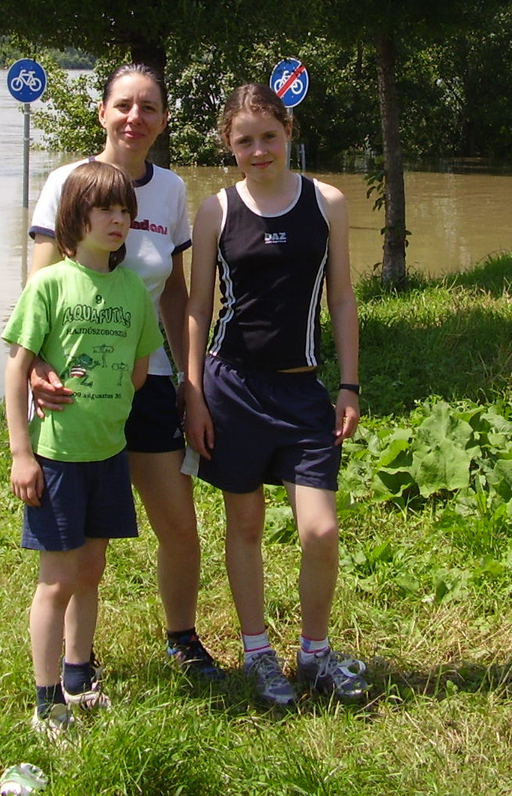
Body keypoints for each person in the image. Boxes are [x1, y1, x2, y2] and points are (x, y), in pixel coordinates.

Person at [27, 64, 223, 681]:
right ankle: (72, 663)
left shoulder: (169, 192)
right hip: (75, 389)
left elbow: (178, 298)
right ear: (102, 114)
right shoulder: (67, 182)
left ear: (164, 120)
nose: (135, 118)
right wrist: (35, 368)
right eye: (123, 106)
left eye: (149, 108)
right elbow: (39, 287)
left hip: (150, 379)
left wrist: (191, 387)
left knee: (179, 525)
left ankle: (182, 639)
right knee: (83, 543)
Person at [181, 82, 368, 707]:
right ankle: (258, 652)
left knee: (320, 531)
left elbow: (340, 297)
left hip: (304, 395)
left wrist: (348, 384)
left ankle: (314, 655)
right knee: (247, 524)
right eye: (243, 141)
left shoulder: (327, 203)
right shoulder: (217, 211)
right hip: (230, 389)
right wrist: (193, 393)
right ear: (228, 147)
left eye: (267, 136)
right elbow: (197, 308)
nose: (257, 151)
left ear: (288, 132)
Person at [3, 160, 165, 737]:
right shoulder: (49, 284)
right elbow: (17, 369)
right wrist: (23, 454)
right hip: (57, 458)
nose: (117, 219)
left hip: (108, 454)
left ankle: (78, 676)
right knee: (57, 578)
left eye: (124, 210)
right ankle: (46, 702)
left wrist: (104, 391)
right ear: (75, 218)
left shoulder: (133, 291)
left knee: (91, 570)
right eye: (104, 209)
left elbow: (141, 371)